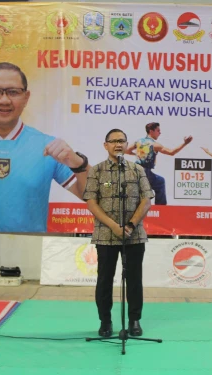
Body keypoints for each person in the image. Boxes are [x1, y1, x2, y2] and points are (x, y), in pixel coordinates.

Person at [0, 62, 90, 233]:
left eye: (13, 92)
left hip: (30, 255)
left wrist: (79, 164)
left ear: (26, 97)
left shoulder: (49, 147)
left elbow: (93, 196)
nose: (4, 100)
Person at [83, 129, 154, 338]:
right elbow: (91, 202)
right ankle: (105, 321)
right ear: (105, 145)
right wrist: (114, 226)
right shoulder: (97, 171)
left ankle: (134, 320)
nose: (118, 144)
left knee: (134, 280)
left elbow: (146, 200)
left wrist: (130, 225)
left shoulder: (136, 169)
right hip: (105, 234)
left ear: (127, 144)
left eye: (121, 141)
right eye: (113, 141)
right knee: (104, 280)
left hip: (134, 235)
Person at [126, 122, 192, 205]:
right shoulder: (155, 145)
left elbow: (126, 150)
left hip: (135, 170)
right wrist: (185, 143)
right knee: (160, 182)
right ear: (151, 131)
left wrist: (136, 154)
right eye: (158, 130)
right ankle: (161, 209)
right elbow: (171, 152)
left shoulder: (138, 142)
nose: (160, 133)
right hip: (145, 172)